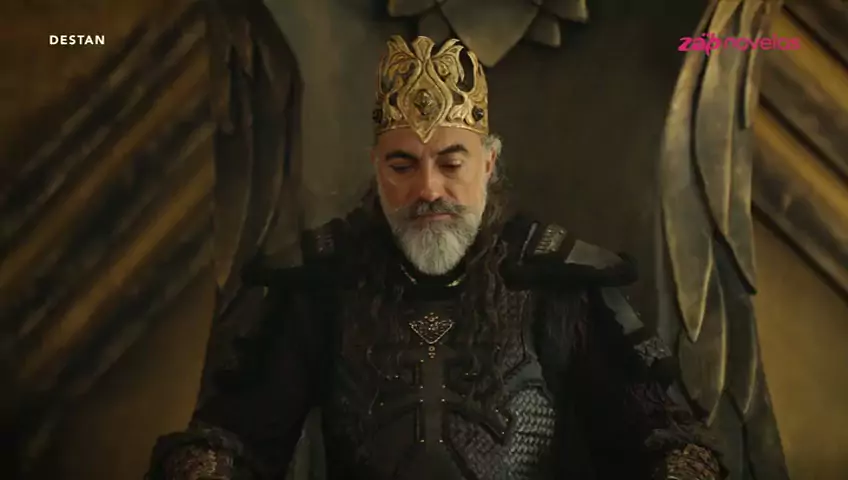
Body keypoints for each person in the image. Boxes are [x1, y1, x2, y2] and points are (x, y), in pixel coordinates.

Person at [146, 35, 724, 480]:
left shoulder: (556, 280)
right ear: (377, 167)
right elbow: (239, 438)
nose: (427, 189)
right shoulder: (323, 284)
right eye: (403, 165)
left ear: (488, 164)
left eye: (451, 163)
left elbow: (656, 436)